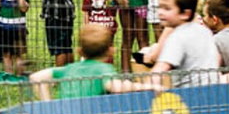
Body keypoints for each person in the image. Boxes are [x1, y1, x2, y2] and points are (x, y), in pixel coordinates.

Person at [30, 23, 158, 100]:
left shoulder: (70, 68)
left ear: (79, 51)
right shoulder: (103, 69)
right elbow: (117, 87)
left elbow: (36, 77)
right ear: (111, 51)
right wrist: (149, 86)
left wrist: (48, 105)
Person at [142, 0, 220, 87]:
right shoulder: (204, 31)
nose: (160, 12)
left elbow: (161, 68)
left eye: (167, 8)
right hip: (213, 90)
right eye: (160, 7)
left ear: (185, 14)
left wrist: (147, 85)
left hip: (189, 95)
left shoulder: (178, 37)